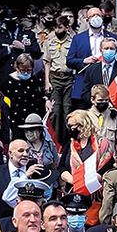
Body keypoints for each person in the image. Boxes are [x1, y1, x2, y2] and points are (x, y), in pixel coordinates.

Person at [58, 109, 113, 224]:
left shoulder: (101, 143)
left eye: (72, 126)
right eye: (68, 126)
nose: (69, 129)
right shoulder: (69, 145)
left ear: (83, 125)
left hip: (96, 196)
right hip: (73, 195)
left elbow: (107, 166)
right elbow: (61, 167)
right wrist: (72, 179)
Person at [66, 6, 117, 105]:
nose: (96, 18)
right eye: (93, 15)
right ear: (87, 19)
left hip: (108, 86)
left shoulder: (113, 38)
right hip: (83, 87)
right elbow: (69, 61)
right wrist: (84, 61)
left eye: (98, 15)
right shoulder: (78, 39)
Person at [43, 14, 75, 145]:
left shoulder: (73, 41)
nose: (57, 30)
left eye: (60, 27)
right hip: (54, 77)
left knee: (67, 110)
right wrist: (47, 81)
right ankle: (56, 143)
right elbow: (47, 62)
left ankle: (67, 142)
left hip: (68, 77)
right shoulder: (49, 41)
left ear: (67, 27)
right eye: (55, 27)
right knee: (55, 111)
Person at [79, 39, 117, 112]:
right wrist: (97, 104)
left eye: (112, 48)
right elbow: (85, 92)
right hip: (95, 111)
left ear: (116, 50)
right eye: (106, 48)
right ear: (101, 50)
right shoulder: (91, 70)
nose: (109, 51)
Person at [89, 83, 117, 148]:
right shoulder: (86, 116)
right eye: (100, 100)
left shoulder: (114, 114)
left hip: (111, 154)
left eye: (106, 100)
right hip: (93, 155)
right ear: (92, 100)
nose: (103, 102)